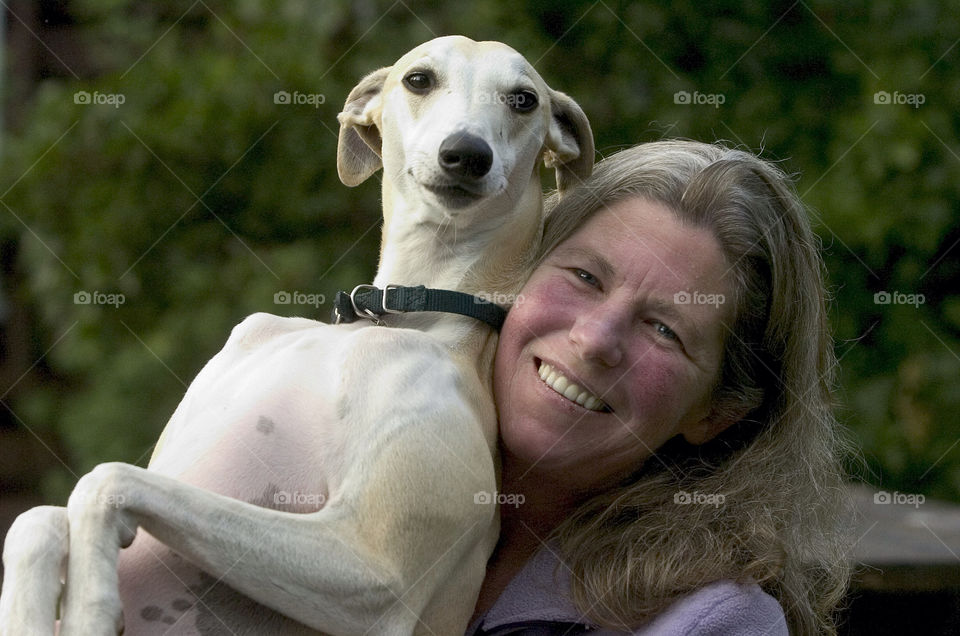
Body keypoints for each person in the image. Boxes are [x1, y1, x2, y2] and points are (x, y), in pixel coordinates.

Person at [467, 140, 853, 635]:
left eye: (664, 330)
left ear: (718, 412)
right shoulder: (369, 450)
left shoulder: (716, 623)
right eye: (585, 277)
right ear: (517, 272)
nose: (595, 339)